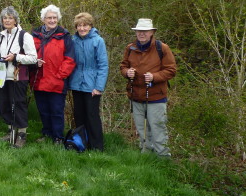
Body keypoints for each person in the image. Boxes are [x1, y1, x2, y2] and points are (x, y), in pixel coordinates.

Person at [120, 18, 177, 157]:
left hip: (156, 96)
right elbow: (123, 66)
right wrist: (127, 72)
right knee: (142, 130)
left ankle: (163, 159)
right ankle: (146, 158)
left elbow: (171, 70)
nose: (142, 34)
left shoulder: (162, 48)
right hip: (136, 96)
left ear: (151, 32)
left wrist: (154, 77)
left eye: (145, 31)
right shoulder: (130, 48)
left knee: (158, 129)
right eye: (139, 31)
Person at [31, 5, 76, 143]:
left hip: (57, 81)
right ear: (43, 19)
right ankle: (47, 134)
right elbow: (28, 54)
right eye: (49, 17)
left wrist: (60, 75)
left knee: (56, 111)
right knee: (43, 110)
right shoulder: (34, 35)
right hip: (39, 80)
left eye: (54, 18)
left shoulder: (64, 35)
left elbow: (70, 59)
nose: (52, 20)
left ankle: (58, 137)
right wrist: (33, 63)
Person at [0, 6, 37, 148]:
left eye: (10, 18)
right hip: (2, 76)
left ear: (15, 20)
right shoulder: (1, 35)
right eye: (5, 18)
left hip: (18, 76)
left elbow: (33, 58)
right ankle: (10, 131)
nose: (7, 20)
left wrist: (16, 57)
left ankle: (21, 134)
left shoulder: (24, 36)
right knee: (4, 104)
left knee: (19, 104)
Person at [69, 12, 109, 151]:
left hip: (92, 85)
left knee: (92, 116)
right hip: (76, 83)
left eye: (85, 25)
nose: (82, 28)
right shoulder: (73, 41)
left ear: (90, 26)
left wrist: (99, 87)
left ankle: (97, 146)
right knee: (79, 116)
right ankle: (81, 144)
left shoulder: (98, 41)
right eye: (79, 26)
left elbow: (103, 65)